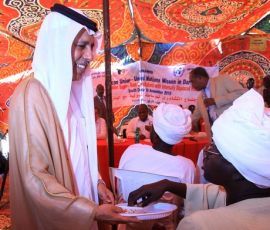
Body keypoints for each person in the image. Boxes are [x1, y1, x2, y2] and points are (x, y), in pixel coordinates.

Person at [8, 4, 139, 230]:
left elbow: (78, 149)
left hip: (83, 208)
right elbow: (35, 177)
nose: (89, 56)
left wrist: (97, 183)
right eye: (81, 46)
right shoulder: (33, 94)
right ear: (59, 45)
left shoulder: (70, 93)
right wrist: (92, 211)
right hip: (61, 217)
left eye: (91, 46)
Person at [128, 89, 270, 230]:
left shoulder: (199, 225)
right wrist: (167, 184)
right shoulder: (248, 194)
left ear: (239, 171)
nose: (205, 151)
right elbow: (213, 195)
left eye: (215, 148)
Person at [119, 103, 195, 229]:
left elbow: (122, 193)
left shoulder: (131, 151)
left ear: (153, 132)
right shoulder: (186, 166)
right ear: (177, 138)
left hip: (128, 225)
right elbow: (186, 210)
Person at [189, 67, 246, 140]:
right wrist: (187, 124)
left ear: (200, 78)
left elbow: (241, 93)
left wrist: (216, 100)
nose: (192, 85)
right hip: (215, 136)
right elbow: (195, 115)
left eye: (192, 81)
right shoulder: (200, 98)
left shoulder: (222, 80)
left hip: (232, 130)